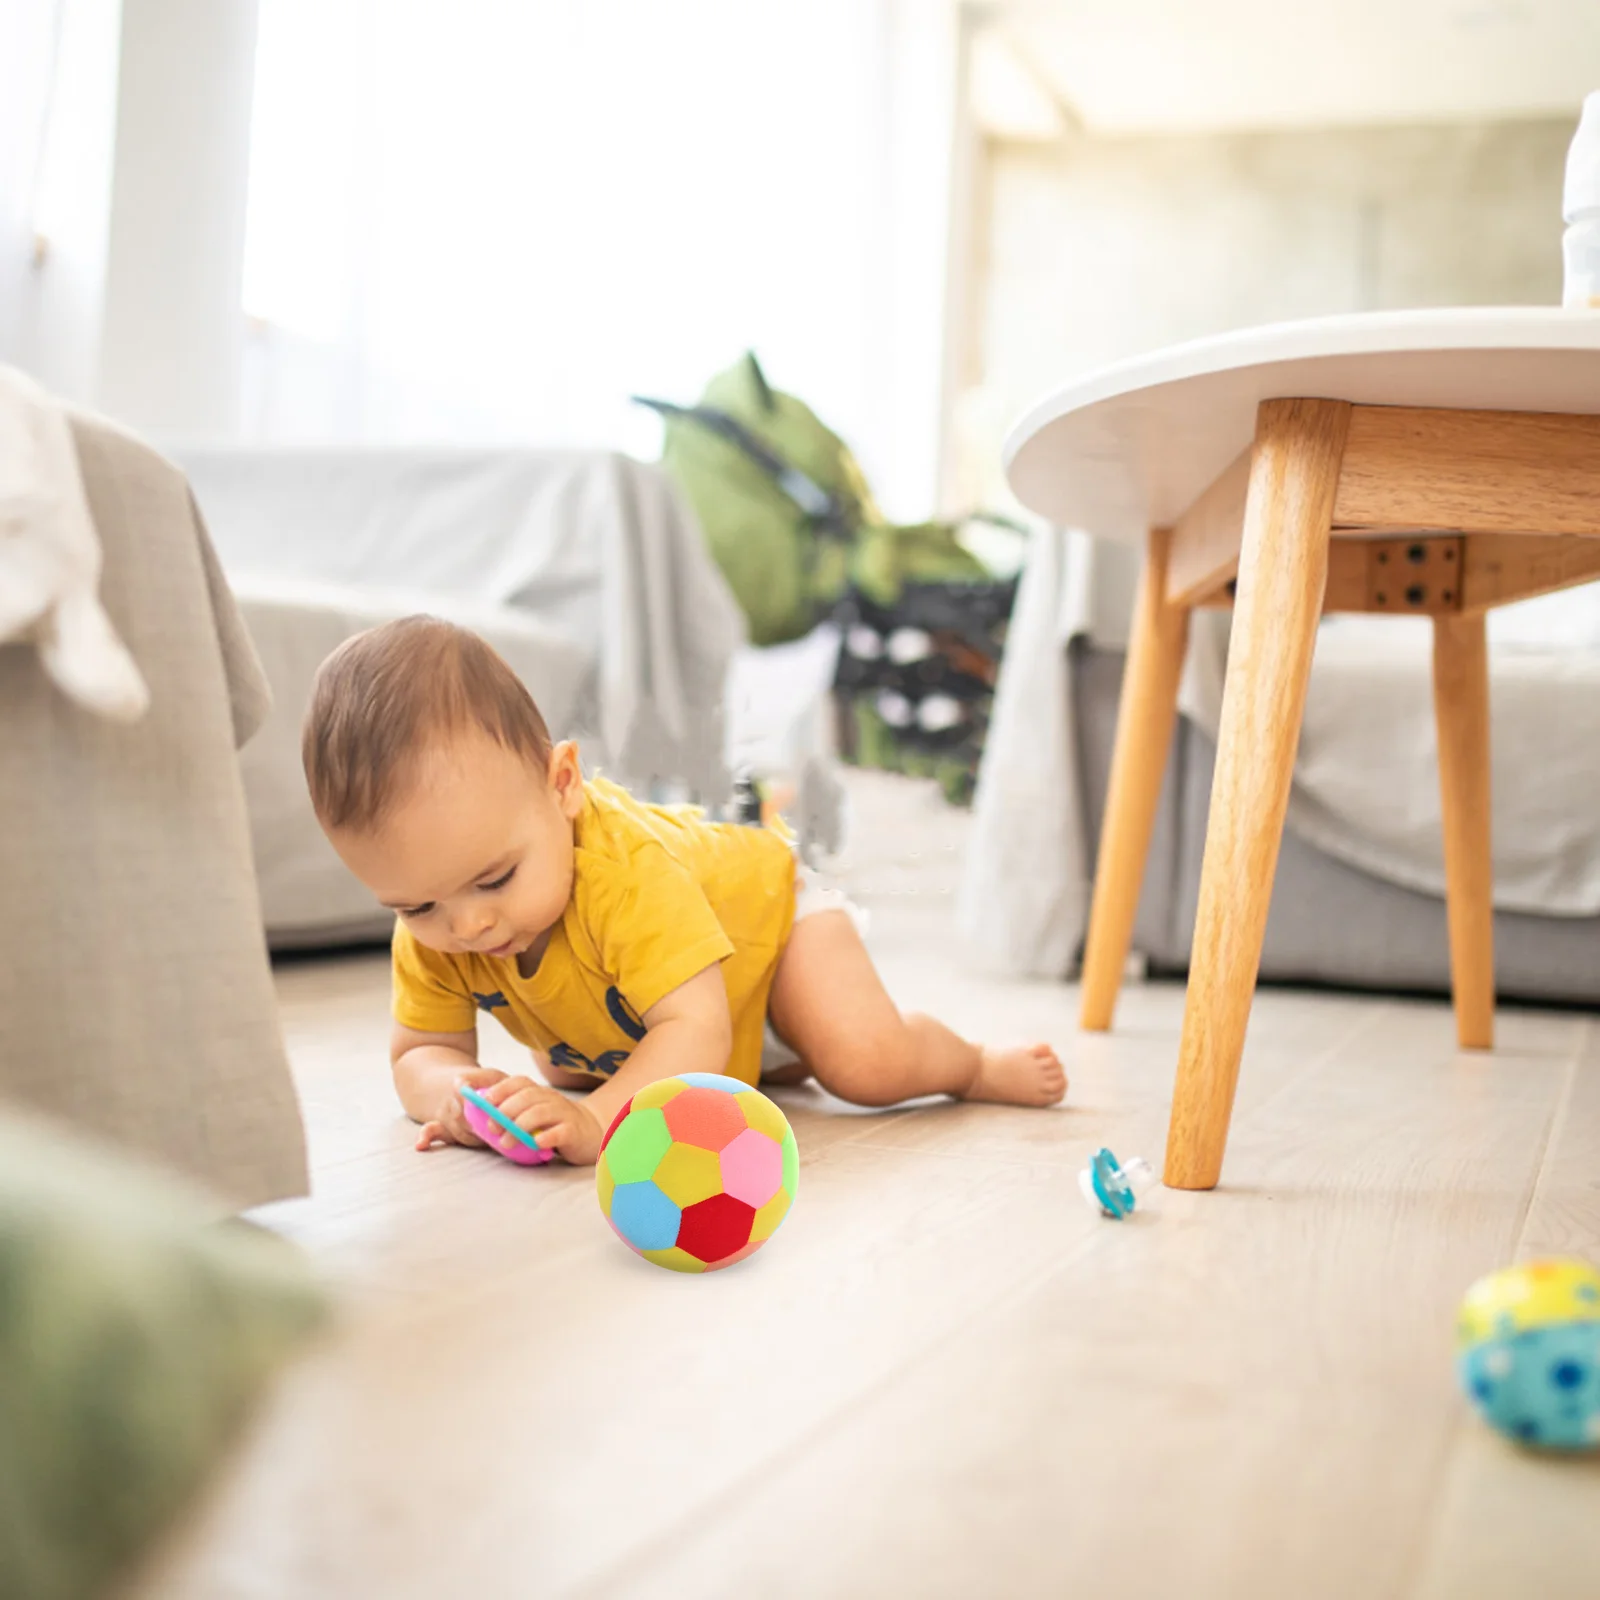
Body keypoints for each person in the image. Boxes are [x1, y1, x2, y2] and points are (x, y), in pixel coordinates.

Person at [301, 616, 1066, 1166]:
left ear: (562, 784)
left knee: (863, 1062)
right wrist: (454, 1093)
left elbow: (693, 1029)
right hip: (669, 1004)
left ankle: (968, 1063)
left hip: (772, 926)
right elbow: (421, 1051)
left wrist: (599, 1119)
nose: (467, 923)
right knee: (563, 1069)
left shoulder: (622, 875)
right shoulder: (440, 921)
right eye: (414, 906)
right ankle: (774, 1052)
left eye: (494, 878)